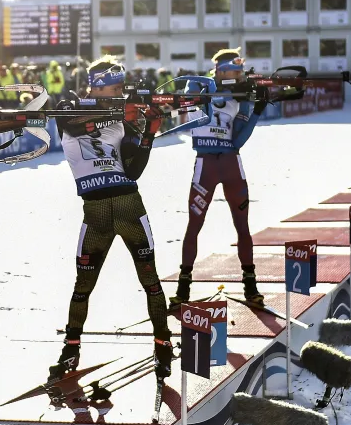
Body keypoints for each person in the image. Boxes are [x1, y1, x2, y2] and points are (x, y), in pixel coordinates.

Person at [47, 57, 174, 395]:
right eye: (114, 88)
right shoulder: (71, 106)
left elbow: (132, 170)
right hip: (96, 211)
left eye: (121, 89)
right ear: (97, 85)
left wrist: (147, 133)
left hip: (129, 204)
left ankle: (163, 344)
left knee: (150, 280)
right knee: (82, 285)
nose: (119, 94)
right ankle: (70, 350)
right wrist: (121, 111)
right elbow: (74, 126)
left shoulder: (122, 121)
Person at [169, 48, 267, 308]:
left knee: (242, 226)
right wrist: (216, 88)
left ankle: (251, 287)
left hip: (231, 163)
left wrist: (255, 109)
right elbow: (189, 95)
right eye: (236, 71)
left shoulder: (240, 95)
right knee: (194, 225)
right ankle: (183, 290)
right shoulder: (199, 87)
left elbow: (238, 141)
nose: (241, 75)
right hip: (205, 166)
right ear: (222, 71)